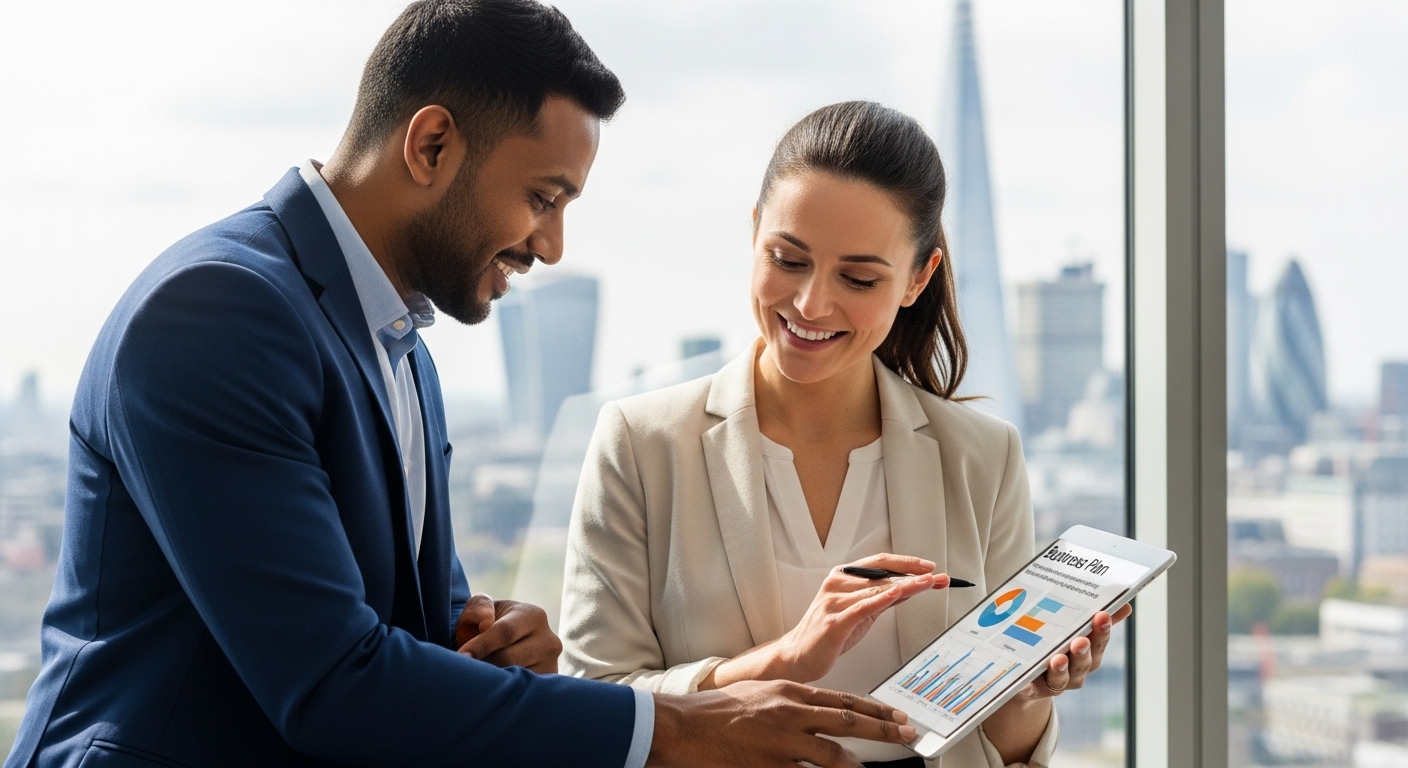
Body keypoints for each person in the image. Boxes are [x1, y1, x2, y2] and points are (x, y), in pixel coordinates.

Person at [3, 6, 919, 768]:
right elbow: (332, 685)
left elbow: (403, 631)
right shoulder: (217, 313)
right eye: (544, 197)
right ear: (433, 143)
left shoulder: (398, 340)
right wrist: (675, 727)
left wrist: (495, 644)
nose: (551, 244)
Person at [560, 101, 1129, 767]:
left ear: (919, 279)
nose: (810, 304)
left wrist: (1029, 690)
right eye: (787, 258)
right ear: (753, 234)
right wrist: (784, 659)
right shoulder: (641, 443)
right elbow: (594, 705)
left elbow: (1000, 747)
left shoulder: (983, 457)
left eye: (858, 278)